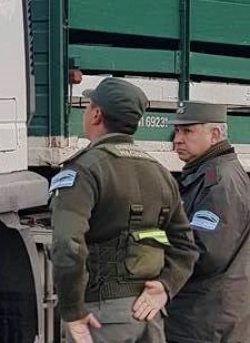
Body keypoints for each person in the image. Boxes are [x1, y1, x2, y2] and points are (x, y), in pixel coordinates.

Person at [50, 77, 198, 343]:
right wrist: (166, 287)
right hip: (149, 316)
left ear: (96, 115)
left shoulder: (83, 170)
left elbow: (67, 244)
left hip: (100, 318)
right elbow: (185, 246)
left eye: (88, 107)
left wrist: (72, 311)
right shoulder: (161, 173)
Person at [165, 101, 250, 343]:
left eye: (187, 131)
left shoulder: (219, 182)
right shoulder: (208, 174)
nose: (177, 139)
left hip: (205, 320)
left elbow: (204, 251)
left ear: (214, 135)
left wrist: (152, 248)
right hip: (207, 315)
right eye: (177, 131)